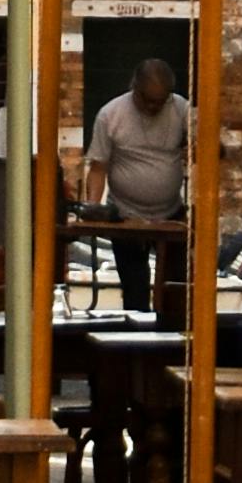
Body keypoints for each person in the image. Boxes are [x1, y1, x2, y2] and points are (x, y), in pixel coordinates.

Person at [83, 45, 191, 317]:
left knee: (174, 292)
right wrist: (93, 209)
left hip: (171, 214)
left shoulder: (182, 110)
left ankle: (170, 348)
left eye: (161, 100)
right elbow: (98, 167)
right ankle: (136, 349)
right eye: (148, 100)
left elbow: (207, 152)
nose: (155, 107)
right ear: (134, 88)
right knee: (135, 291)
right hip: (126, 214)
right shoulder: (111, 114)